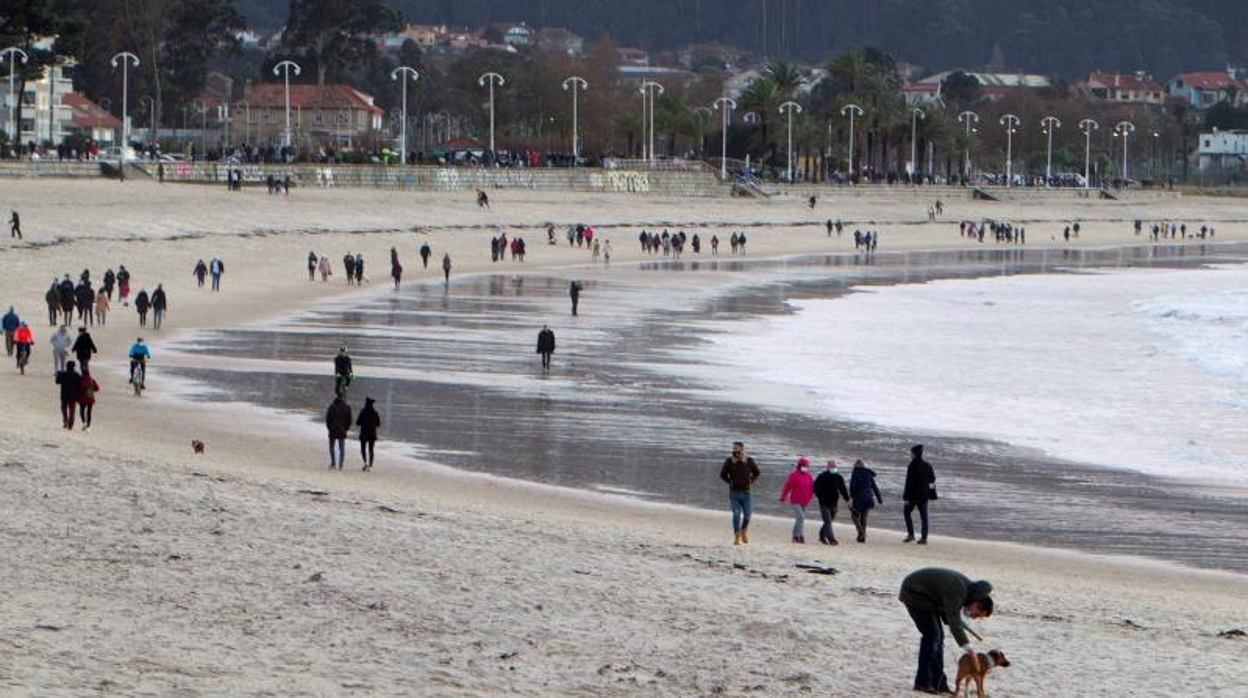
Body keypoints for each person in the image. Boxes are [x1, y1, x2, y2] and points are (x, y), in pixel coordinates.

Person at [899, 567, 995, 695]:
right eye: (977, 615)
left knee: (938, 638)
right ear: (976, 604)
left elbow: (950, 614)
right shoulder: (958, 590)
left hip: (929, 597)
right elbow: (953, 619)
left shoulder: (967, 591)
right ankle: (922, 682)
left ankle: (938, 683)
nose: (974, 617)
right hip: (915, 593)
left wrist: (954, 621)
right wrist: (969, 648)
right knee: (932, 636)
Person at [719, 441, 760, 545]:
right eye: (733, 449)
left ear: (742, 449)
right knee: (736, 514)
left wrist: (751, 480)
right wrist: (730, 482)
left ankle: (744, 532)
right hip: (734, 493)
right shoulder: (729, 461)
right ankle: (737, 537)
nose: (734, 450)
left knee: (747, 515)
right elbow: (722, 474)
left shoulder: (749, 460)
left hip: (746, 493)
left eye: (736, 448)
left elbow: (757, 472)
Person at [903, 444, 936, 544]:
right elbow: (932, 480)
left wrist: (906, 497)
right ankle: (924, 538)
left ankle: (911, 534)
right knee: (924, 517)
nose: (910, 455)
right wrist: (932, 493)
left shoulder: (911, 465)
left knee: (907, 513)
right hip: (923, 496)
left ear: (915, 454)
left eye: (911, 453)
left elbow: (908, 483)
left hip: (913, 496)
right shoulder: (927, 465)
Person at [814, 459, 851, 545]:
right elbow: (815, 488)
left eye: (835, 466)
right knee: (828, 521)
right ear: (827, 467)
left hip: (834, 502)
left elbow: (843, 489)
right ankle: (832, 539)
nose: (833, 468)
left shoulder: (839, 477)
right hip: (824, 503)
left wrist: (847, 499)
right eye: (832, 466)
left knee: (830, 520)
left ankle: (821, 535)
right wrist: (820, 497)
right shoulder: (821, 476)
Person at [779, 457, 815, 543]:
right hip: (795, 500)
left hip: (805, 500)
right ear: (800, 466)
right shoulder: (793, 475)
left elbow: (811, 487)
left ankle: (797, 535)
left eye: (807, 466)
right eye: (804, 466)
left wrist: (811, 496)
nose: (806, 467)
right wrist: (783, 497)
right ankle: (798, 535)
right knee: (801, 517)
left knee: (800, 519)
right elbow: (787, 487)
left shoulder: (809, 476)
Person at [849, 458, 883, 543]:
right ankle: (862, 538)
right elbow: (874, 487)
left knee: (854, 516)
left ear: (855, 465)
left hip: (859, 499)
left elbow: (852, 487)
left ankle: (861, 533)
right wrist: (879, 498)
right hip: (868, 499)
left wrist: (851, 496)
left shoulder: (855, 473)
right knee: (864, 518)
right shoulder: (868, 473)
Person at [325, 393, 353, 470]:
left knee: (331, 447)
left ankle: (333, 463)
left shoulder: (331, 406)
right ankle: (341, 464)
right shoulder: (347, 407)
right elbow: (349, 420)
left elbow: (328, 419)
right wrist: (346, 429)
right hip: (342, 430)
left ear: (336, 397)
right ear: (343, 397)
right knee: (342, 448)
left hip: (333, 429)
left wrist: (329, 428)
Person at [356, 396, 381, 471]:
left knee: (363, 449)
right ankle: (370, 466)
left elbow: (357, 423)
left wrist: (363, 423)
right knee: (371, 450)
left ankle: (365, 463)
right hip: (372, 434)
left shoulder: (362, 411)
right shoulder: (375, 412)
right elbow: (378, 424)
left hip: (364, 434)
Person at [55, 360, 81, 430]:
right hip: (73, 395)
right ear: (74, 367)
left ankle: (65, 420)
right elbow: (79, 385)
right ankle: (71, 424)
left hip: (64, 394)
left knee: (64, 408)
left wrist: (58, 375)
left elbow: (57, 382)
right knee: (72, 410)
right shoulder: (77, 375)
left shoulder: (63, 374)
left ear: (66, 366)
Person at [78, 367, 99, 431]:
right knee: (89, 412)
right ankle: (88, 426)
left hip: (82, 398)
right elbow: (97, 388)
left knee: (82, 411)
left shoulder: (80, 379)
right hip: (90, 398)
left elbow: (78, 388)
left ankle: (84, 422)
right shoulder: (92, 380)